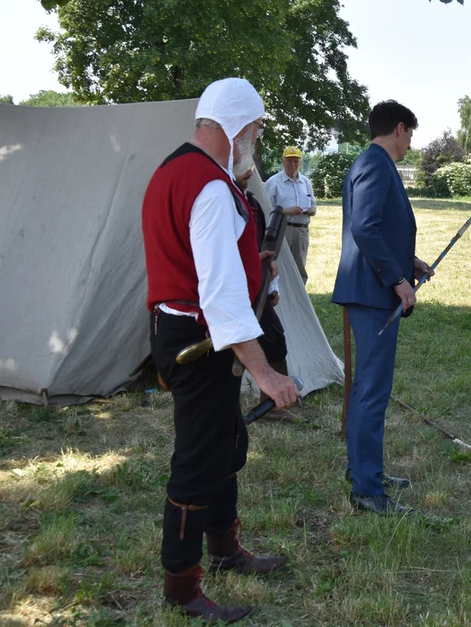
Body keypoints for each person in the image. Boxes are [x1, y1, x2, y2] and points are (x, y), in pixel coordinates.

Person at [143, 78, 301, 623]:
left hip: (190, 334)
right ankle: (182, 590)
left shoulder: (175, 170)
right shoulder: (208, 186)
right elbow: (219, 294)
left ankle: (226, 550)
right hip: (198, 340)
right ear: (235, 126)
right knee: (197, 461)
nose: (255, 138)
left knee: (226, 444)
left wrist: (257, 260)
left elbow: (207, 261)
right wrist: (266, 373)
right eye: (254, 128)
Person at [332, 100, 433, 516]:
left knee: (366, 391)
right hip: (374, 294)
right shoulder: (375, 163)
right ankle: (368, 490)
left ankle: (363, 470)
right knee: (372, 392)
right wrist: (397, 280)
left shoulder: (370, 162)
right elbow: (365, 226)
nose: (410, 143)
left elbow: (374, 228)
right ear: (399, 129)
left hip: (372, 288)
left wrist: (407, 262)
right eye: (410, 134)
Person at [233, 166, 304, 424]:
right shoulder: (219, 201)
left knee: (274, 338)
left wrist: (271, 286)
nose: (249, 172)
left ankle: (272, 405)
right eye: (242, 168)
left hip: (255, 286)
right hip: (229, 291)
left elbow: (266, 249)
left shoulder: (250, 204)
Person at [265, 146, 317, 284]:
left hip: (302, 229)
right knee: (281, 265)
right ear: (283, 161)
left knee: (300, 266)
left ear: (300, 162)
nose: (292, 165)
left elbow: (314, 205)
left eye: (296, 161)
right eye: (289, 161)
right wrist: (286, 210)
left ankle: (300, 300)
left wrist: (312, 210)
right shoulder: (273, 182)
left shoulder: (305, 182)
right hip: (283, 228)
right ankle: (279, 298)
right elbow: (266, 208)